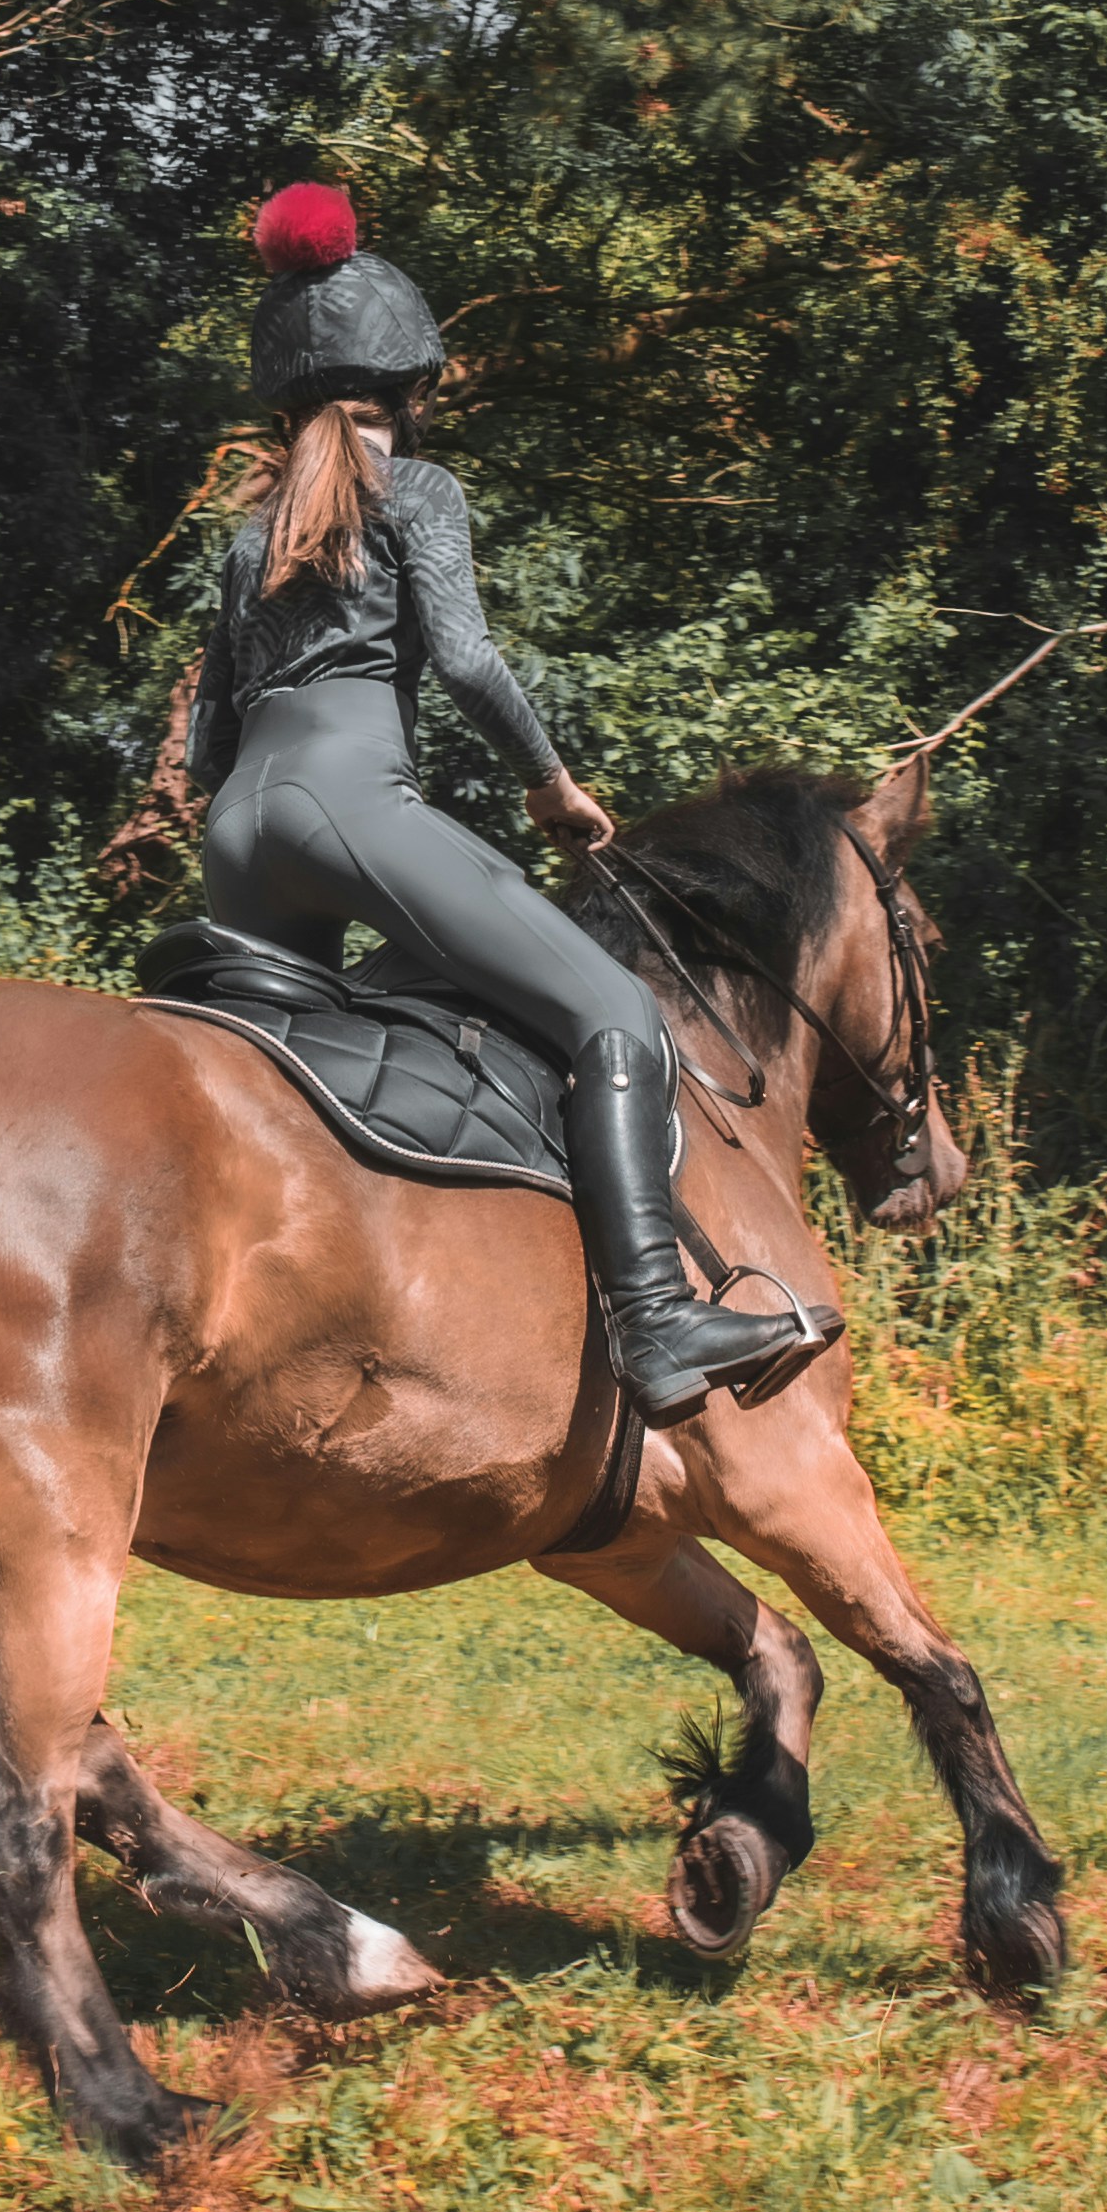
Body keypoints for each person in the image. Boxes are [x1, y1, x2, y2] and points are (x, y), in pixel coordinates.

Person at [189, 183, 834, 1427]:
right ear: (407, 387)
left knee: (277, 1095)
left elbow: (207, 743)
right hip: (348, 806)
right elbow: (470, 663)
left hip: (239, 837)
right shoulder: (417, 494)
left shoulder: (248, 537)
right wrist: (552, 785)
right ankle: (657, 1317)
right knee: (615, 1015)